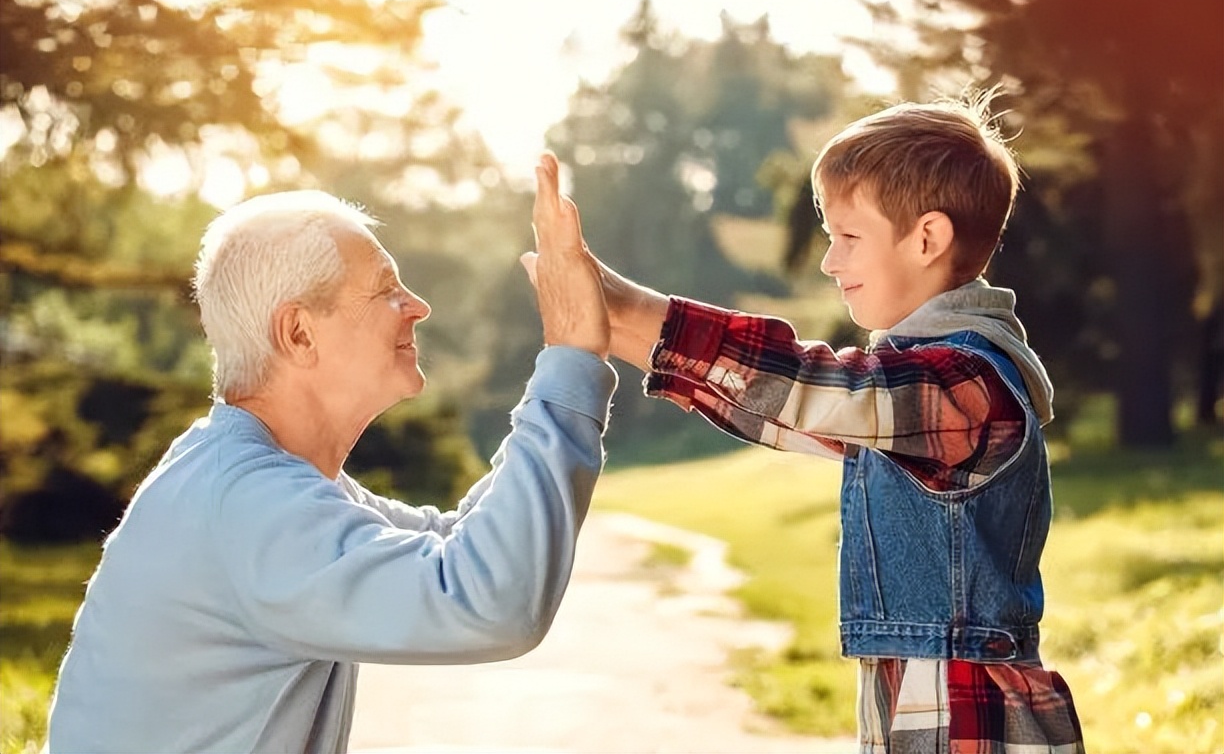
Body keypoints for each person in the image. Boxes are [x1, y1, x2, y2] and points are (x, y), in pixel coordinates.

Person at [525, 96, 1086, 753]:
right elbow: (777, 410)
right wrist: (600, 302)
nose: (829, 261)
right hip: (922, 699)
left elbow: (806, 386)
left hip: (970, 716)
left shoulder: (964, 386)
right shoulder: (918, 394)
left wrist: (620, 300)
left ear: (927, 238)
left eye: (848, 237)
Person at [45, 153, 616, 753]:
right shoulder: (248, 505)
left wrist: (586, 337)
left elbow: (459, 542)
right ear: (298, 333)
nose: (417, 306)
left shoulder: (255, 478)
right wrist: (571, 356)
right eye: (386, 291)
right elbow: (491, 599)